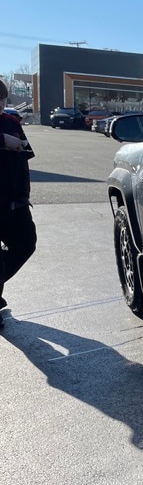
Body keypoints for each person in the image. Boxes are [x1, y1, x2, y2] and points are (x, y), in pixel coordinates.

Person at [0, 79, 37, 327]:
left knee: (26, 245)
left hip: (15, 202)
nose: (0, 104)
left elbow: (25, 155)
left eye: (2, 100)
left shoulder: (11, 121)